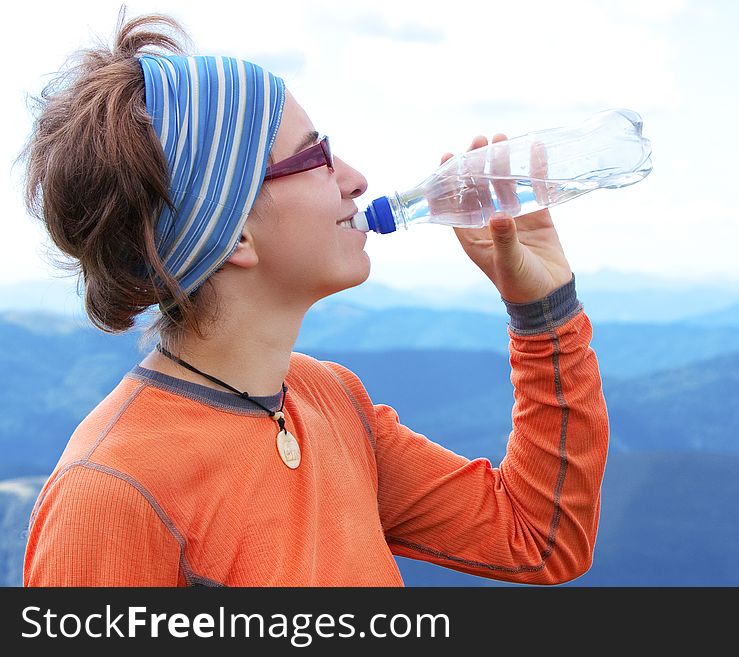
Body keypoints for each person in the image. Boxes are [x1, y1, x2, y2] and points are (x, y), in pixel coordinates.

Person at [20, 10, 610, 586]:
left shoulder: (328, 401)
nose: (355, 179)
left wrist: (544, 310)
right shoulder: (108, 496)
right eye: (316, 156)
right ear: (235, 234)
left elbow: (539, 537)